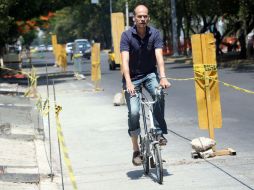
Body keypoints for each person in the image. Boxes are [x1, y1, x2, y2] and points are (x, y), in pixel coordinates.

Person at [120, 4, 171, 166]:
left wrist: (162, 77)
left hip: (149, 74)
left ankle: (159, 132)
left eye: (145, 16)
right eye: (139, 16)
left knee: (158, 94)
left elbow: (159, 57)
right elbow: (125, 61)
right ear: (134, 18)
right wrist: (128, 82)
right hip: (132, 78)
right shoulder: (126, 36)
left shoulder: (155, 34)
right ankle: (136, 149)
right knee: (134, 112)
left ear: (148, 18)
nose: (142, 19)